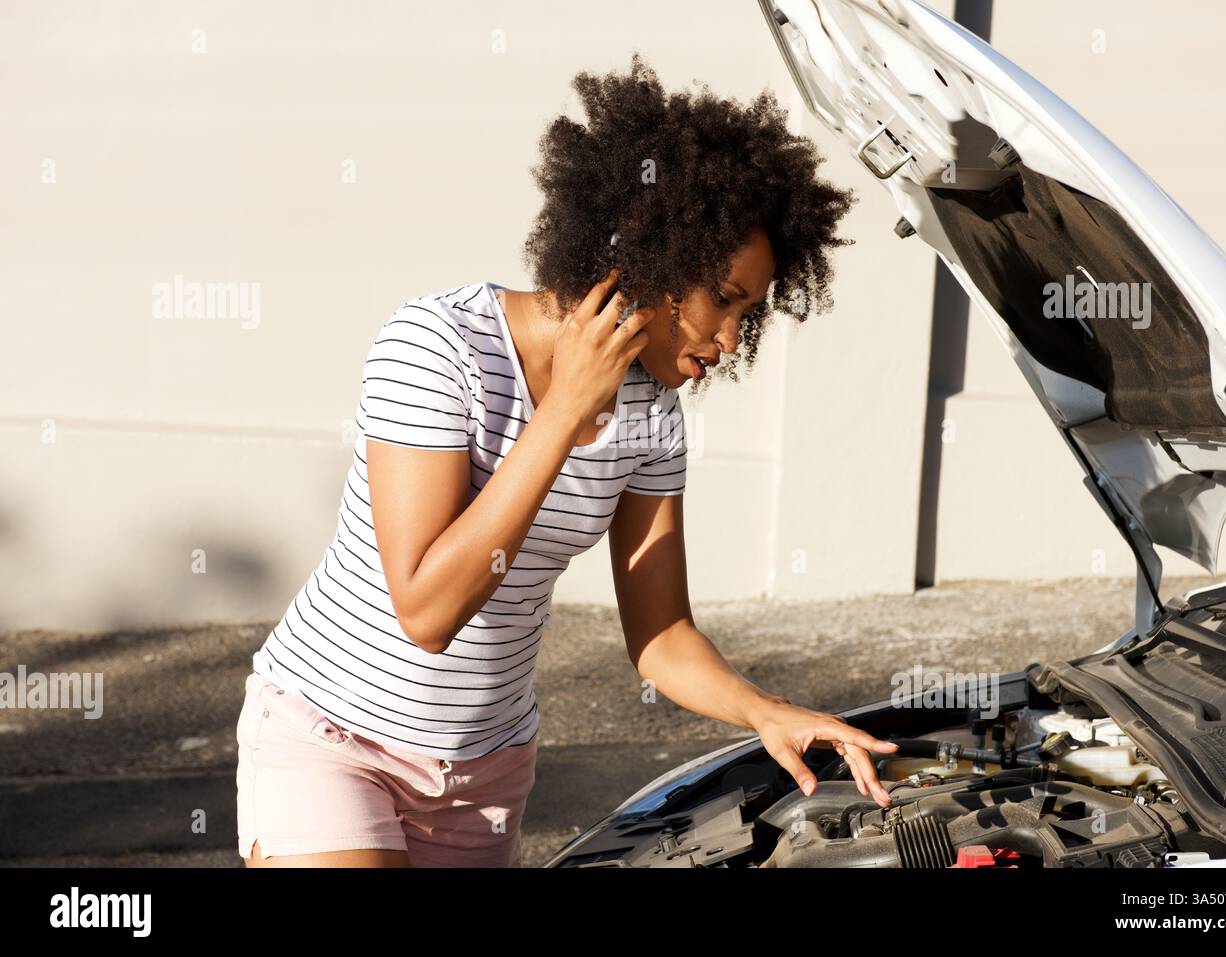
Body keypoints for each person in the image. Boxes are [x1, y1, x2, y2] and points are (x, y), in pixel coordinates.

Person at [236, 55, 898, 868]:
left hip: (484, 772)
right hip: (333, 738)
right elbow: (427, 608)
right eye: (724, 298)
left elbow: (661, 632)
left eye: (748, 313)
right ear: (655, 257)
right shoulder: (437, 347)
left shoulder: (654, 411)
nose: (731, 342)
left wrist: (765, 711)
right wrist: (560, 415)